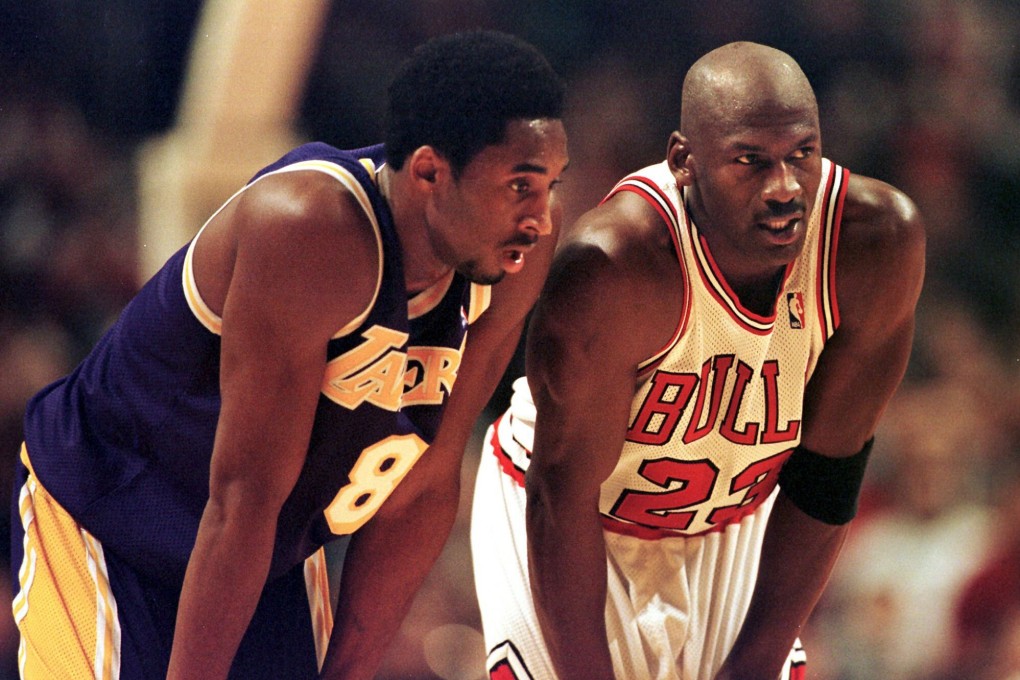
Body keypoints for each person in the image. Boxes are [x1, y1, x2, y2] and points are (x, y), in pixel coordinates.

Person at [11, 30, 568, 680]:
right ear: (427, 172)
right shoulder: (311, 230)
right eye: (520, 187)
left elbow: (422, 488)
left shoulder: (508, 259)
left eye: (553, 185)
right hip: (112, 511)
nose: (544, 218)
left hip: (264, 550)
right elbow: (242, 500)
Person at [471, 41, 925, 680]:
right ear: (684, 162)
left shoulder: (876, 242)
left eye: (803, 154)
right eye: (751, 161)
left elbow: (828, 478)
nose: (786, 187)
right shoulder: (615, 265)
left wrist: (756, 663)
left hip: (733, 521)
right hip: (574, 516)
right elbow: (561, 495)